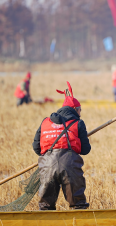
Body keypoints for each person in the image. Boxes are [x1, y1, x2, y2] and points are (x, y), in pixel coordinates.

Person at [32, 81, 91, 210]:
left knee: (46, 207)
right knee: (78, 205)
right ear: (75, 109)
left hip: (47, 164)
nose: (80, 113)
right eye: (80, 110)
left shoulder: (45, 122)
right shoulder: (78, 123)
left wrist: (50, 156)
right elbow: (86, 150)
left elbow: (36, 148)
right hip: (70, 164)